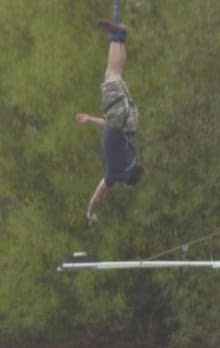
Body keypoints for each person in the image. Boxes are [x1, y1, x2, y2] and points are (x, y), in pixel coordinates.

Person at [75, 1, 144, 226]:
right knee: (111, 73)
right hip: (119, 117)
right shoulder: (113, 174)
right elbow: (98, 196)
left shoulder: (131, 155)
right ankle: (119, 33)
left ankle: (120, 37)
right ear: (126, 181)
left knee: (117, 72)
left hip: (129, 119)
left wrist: (89, 119)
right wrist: (90, 212)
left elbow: (110, 127)